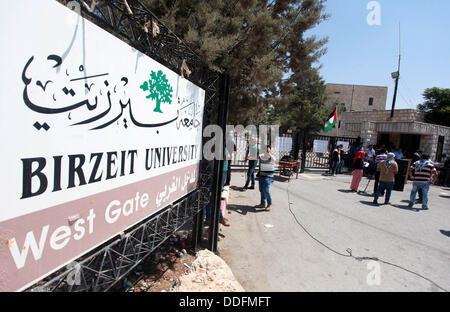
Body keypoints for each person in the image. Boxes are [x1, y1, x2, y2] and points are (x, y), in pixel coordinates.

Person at [255, 146, 276, 211]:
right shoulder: (262, 157)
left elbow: (274, 160)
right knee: (261, 190)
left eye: (267, 150)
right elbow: (259, 162)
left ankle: (269, 203)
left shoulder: (271, 156)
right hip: (262, 175)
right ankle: (262, 203)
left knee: (266, 190)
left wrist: (269, 153)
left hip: (268, 177)